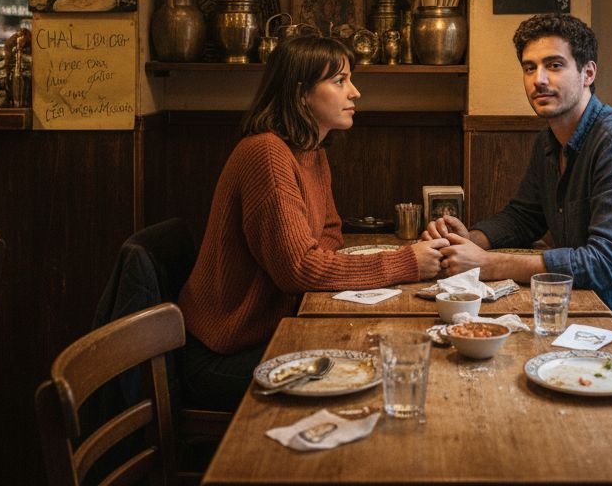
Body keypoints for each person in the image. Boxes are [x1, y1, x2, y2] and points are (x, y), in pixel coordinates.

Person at [423, 14, 612, 394]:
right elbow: (524, 216)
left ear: (588, 73)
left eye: (554, 65)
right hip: (594, 317)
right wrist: (468, 241)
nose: (539, 79)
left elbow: (605, 265)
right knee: (476, 357)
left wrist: (488, 264)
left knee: (507, 377)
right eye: (530, 67)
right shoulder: (551, 139)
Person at [177, 36, 449, 410]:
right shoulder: (267, 153)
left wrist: (320, 262)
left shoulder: (310, 151)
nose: (354, 92)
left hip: (270, 333)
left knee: (382, 357)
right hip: (224, 353)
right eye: (339, 81)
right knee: (379, 376)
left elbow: (329, 234)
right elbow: (300, 270)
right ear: (300, 93)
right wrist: (407, 262)